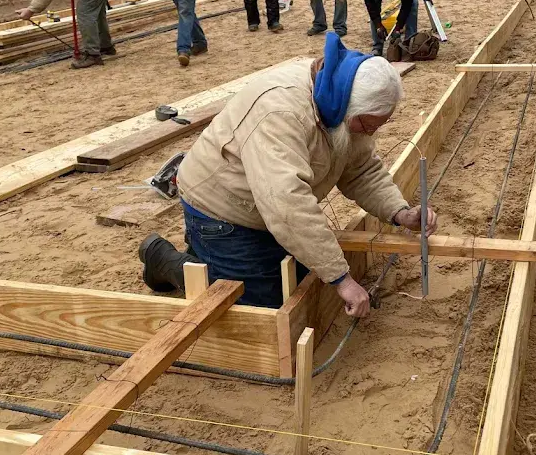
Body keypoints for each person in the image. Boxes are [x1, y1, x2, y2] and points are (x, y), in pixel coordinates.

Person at [139, 32, 438, 313]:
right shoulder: (281, 112)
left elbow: (360, 169)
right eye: (369, 124)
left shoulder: (341, 101)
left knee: (302, 279)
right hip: (221, 210)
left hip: (264, 209)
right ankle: (164, 259)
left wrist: (399, 212)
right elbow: (286, 204)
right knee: (260, 309)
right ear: (351, 106)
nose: (373, 132)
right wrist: (342, 279)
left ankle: (209, 255)